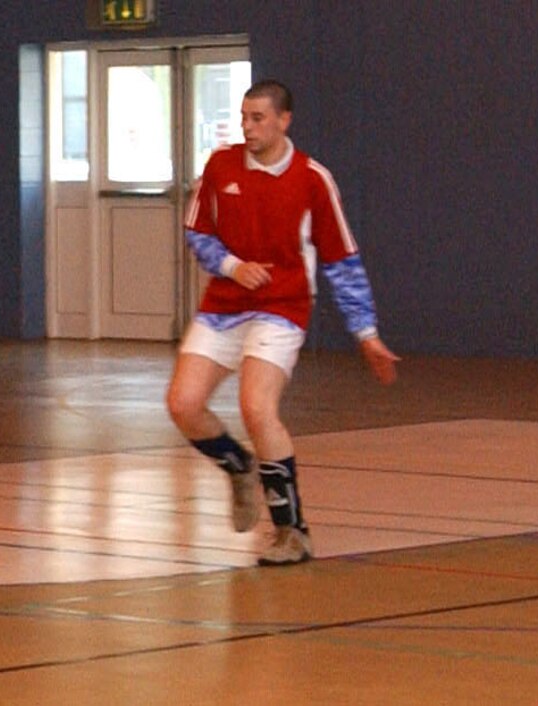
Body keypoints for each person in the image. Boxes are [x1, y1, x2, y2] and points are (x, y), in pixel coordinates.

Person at [165, 80, 400, 566]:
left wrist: (366, 333)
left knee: (257, 406)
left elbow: (342, 261)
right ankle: (239, 467)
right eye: (244, 118)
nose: (248, 128)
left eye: (259, 119)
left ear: (284, 120)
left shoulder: (313, 179)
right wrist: (232, 266)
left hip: (282, 306)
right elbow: (197, 232)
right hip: (224, 304)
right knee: (183, 403)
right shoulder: (221, 166)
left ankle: (292, 530)